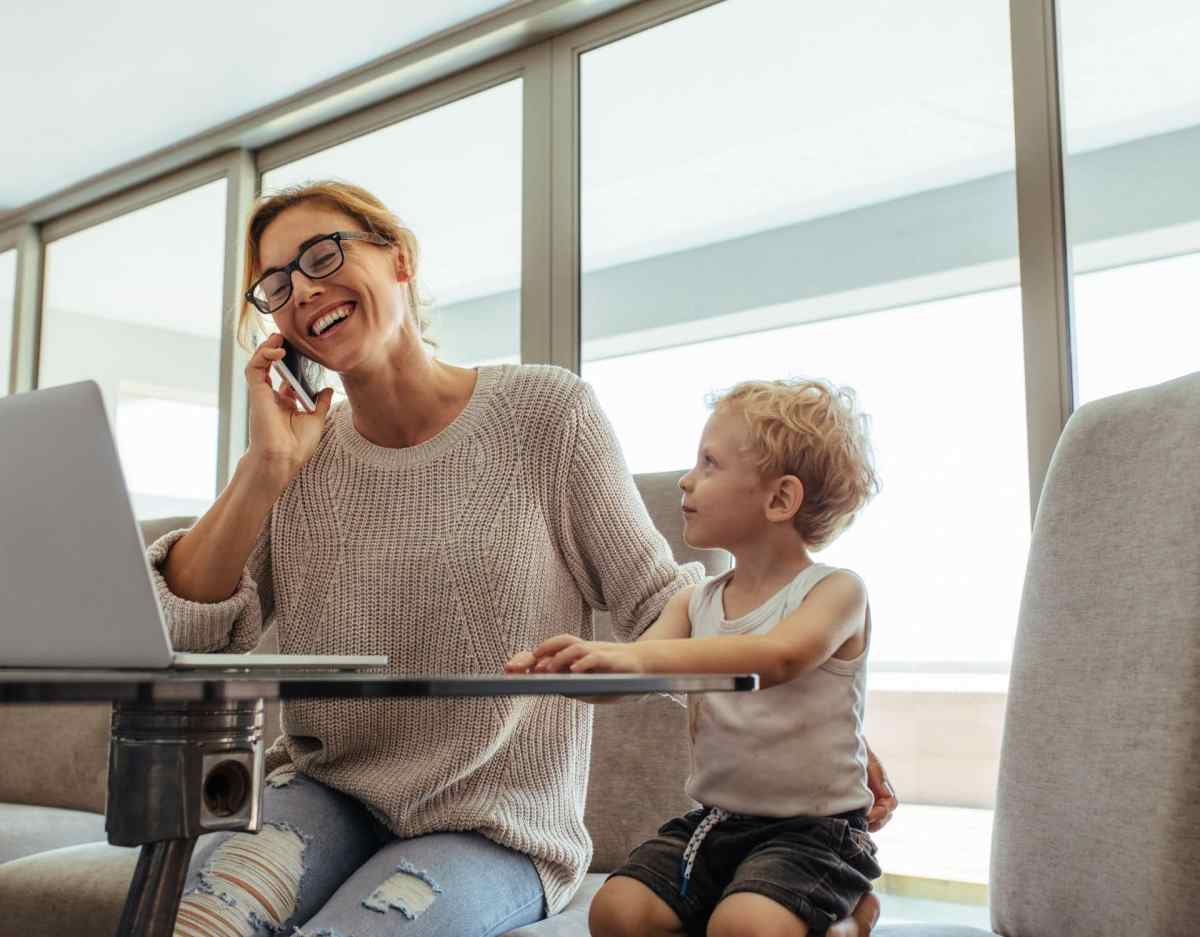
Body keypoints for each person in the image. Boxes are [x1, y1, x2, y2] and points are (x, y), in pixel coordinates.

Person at [151, 179, 894, 936]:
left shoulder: (548, 414)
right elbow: (188, 634)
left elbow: (660, 609)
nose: (303, 290)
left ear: (399, 258)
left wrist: (812, 719)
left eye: (321, 255)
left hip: (496, 827)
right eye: (277, 284)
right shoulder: (299, 457)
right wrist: (265, 467)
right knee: (200, 922)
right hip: (325, 793)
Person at [508, 378, 883, 937]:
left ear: (780, 498)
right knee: (616, 913)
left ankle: (851, 918)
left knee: (746, 927)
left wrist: (634, 659)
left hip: (815, 832)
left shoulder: (836, 592)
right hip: (718, 821)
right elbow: (636, 674)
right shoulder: (695, 600)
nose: (687, 479)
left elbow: (775, 658)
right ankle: (757, 905)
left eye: (709, 464)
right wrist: (574, 673)